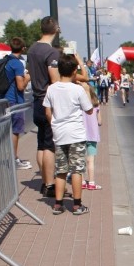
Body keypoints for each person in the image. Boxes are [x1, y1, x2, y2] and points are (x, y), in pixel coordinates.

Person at [43, 54, 94, 215]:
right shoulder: (77, 89)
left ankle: (58, 204)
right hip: (76, 135)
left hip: (59, 134)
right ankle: (77, 205)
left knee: (61, 170)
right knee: (77, 170)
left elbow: (47, 111)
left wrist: (54, 124)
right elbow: (89, 109)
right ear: (74, 71)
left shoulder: (51, 89)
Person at [26, 16, 62, 197]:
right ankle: (50, 184)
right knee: (50, 145)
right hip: (47, 101)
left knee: (41, 144)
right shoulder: (51, 53)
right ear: (56, 29)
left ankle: (44, 180)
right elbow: (55, 81)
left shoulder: (32, 49)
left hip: (36, 99)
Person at [4, 37, 32, 170]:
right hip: (15, 101)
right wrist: (27, 78)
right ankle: (14, 159)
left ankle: (11, 156)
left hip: (4, 98)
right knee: (16, 131)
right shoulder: (17, 64)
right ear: (22, 48)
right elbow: (20, 86)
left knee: (7, 130)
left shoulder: (6, 61)